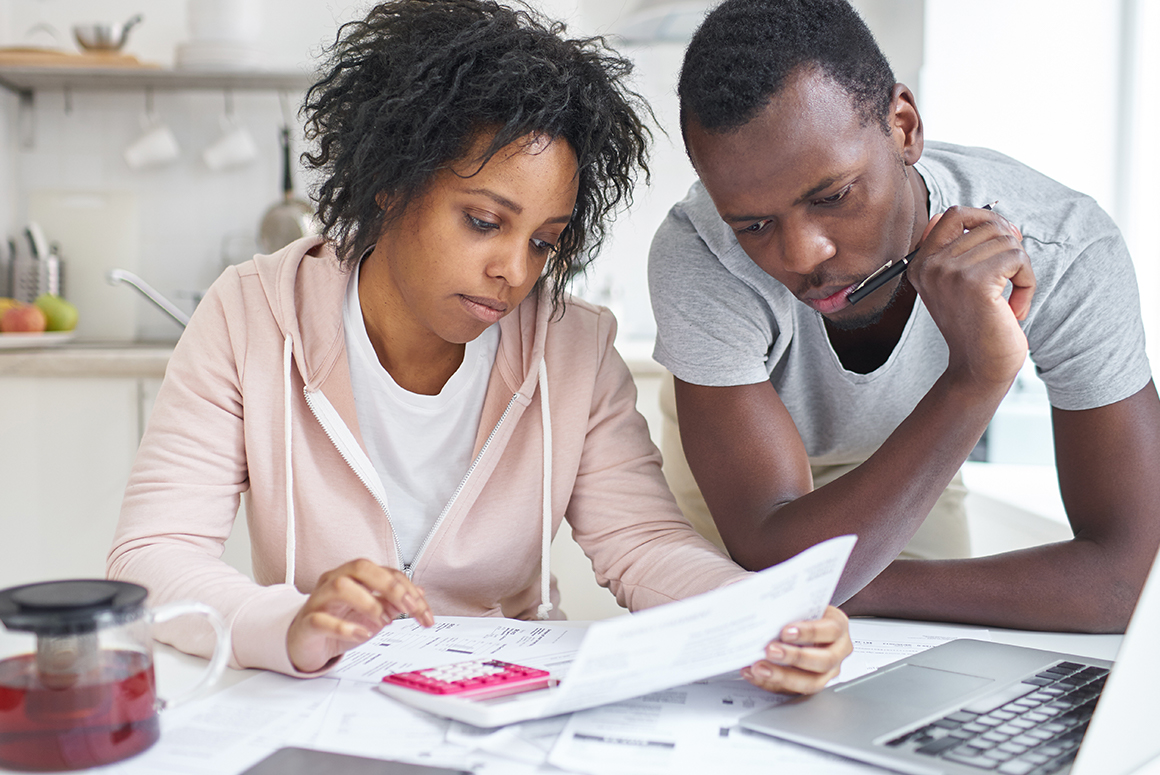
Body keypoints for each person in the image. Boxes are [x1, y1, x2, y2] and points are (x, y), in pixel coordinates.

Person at [107, 0, 850, 691]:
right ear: (390, 183)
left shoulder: (574, 347)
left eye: (544, 242)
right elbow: (153, 557)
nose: (515, 271)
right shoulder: (250, 314)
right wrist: (289, 622)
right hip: (319, 695)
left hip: (505, 708)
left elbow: (643, 544)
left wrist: (759, 615)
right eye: (485, 222)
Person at [648, 0, 1160, 633]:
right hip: (747, 480)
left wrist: (823, 586)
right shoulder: (703, 253)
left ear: (904, 126)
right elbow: (764, 541)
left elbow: (1125, 582)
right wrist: (974, 378)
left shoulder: (1065, 248)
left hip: (913, 448)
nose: (802, 255)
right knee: (741, 670)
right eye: (753, 224)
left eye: (833, 196)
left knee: (922, 672)